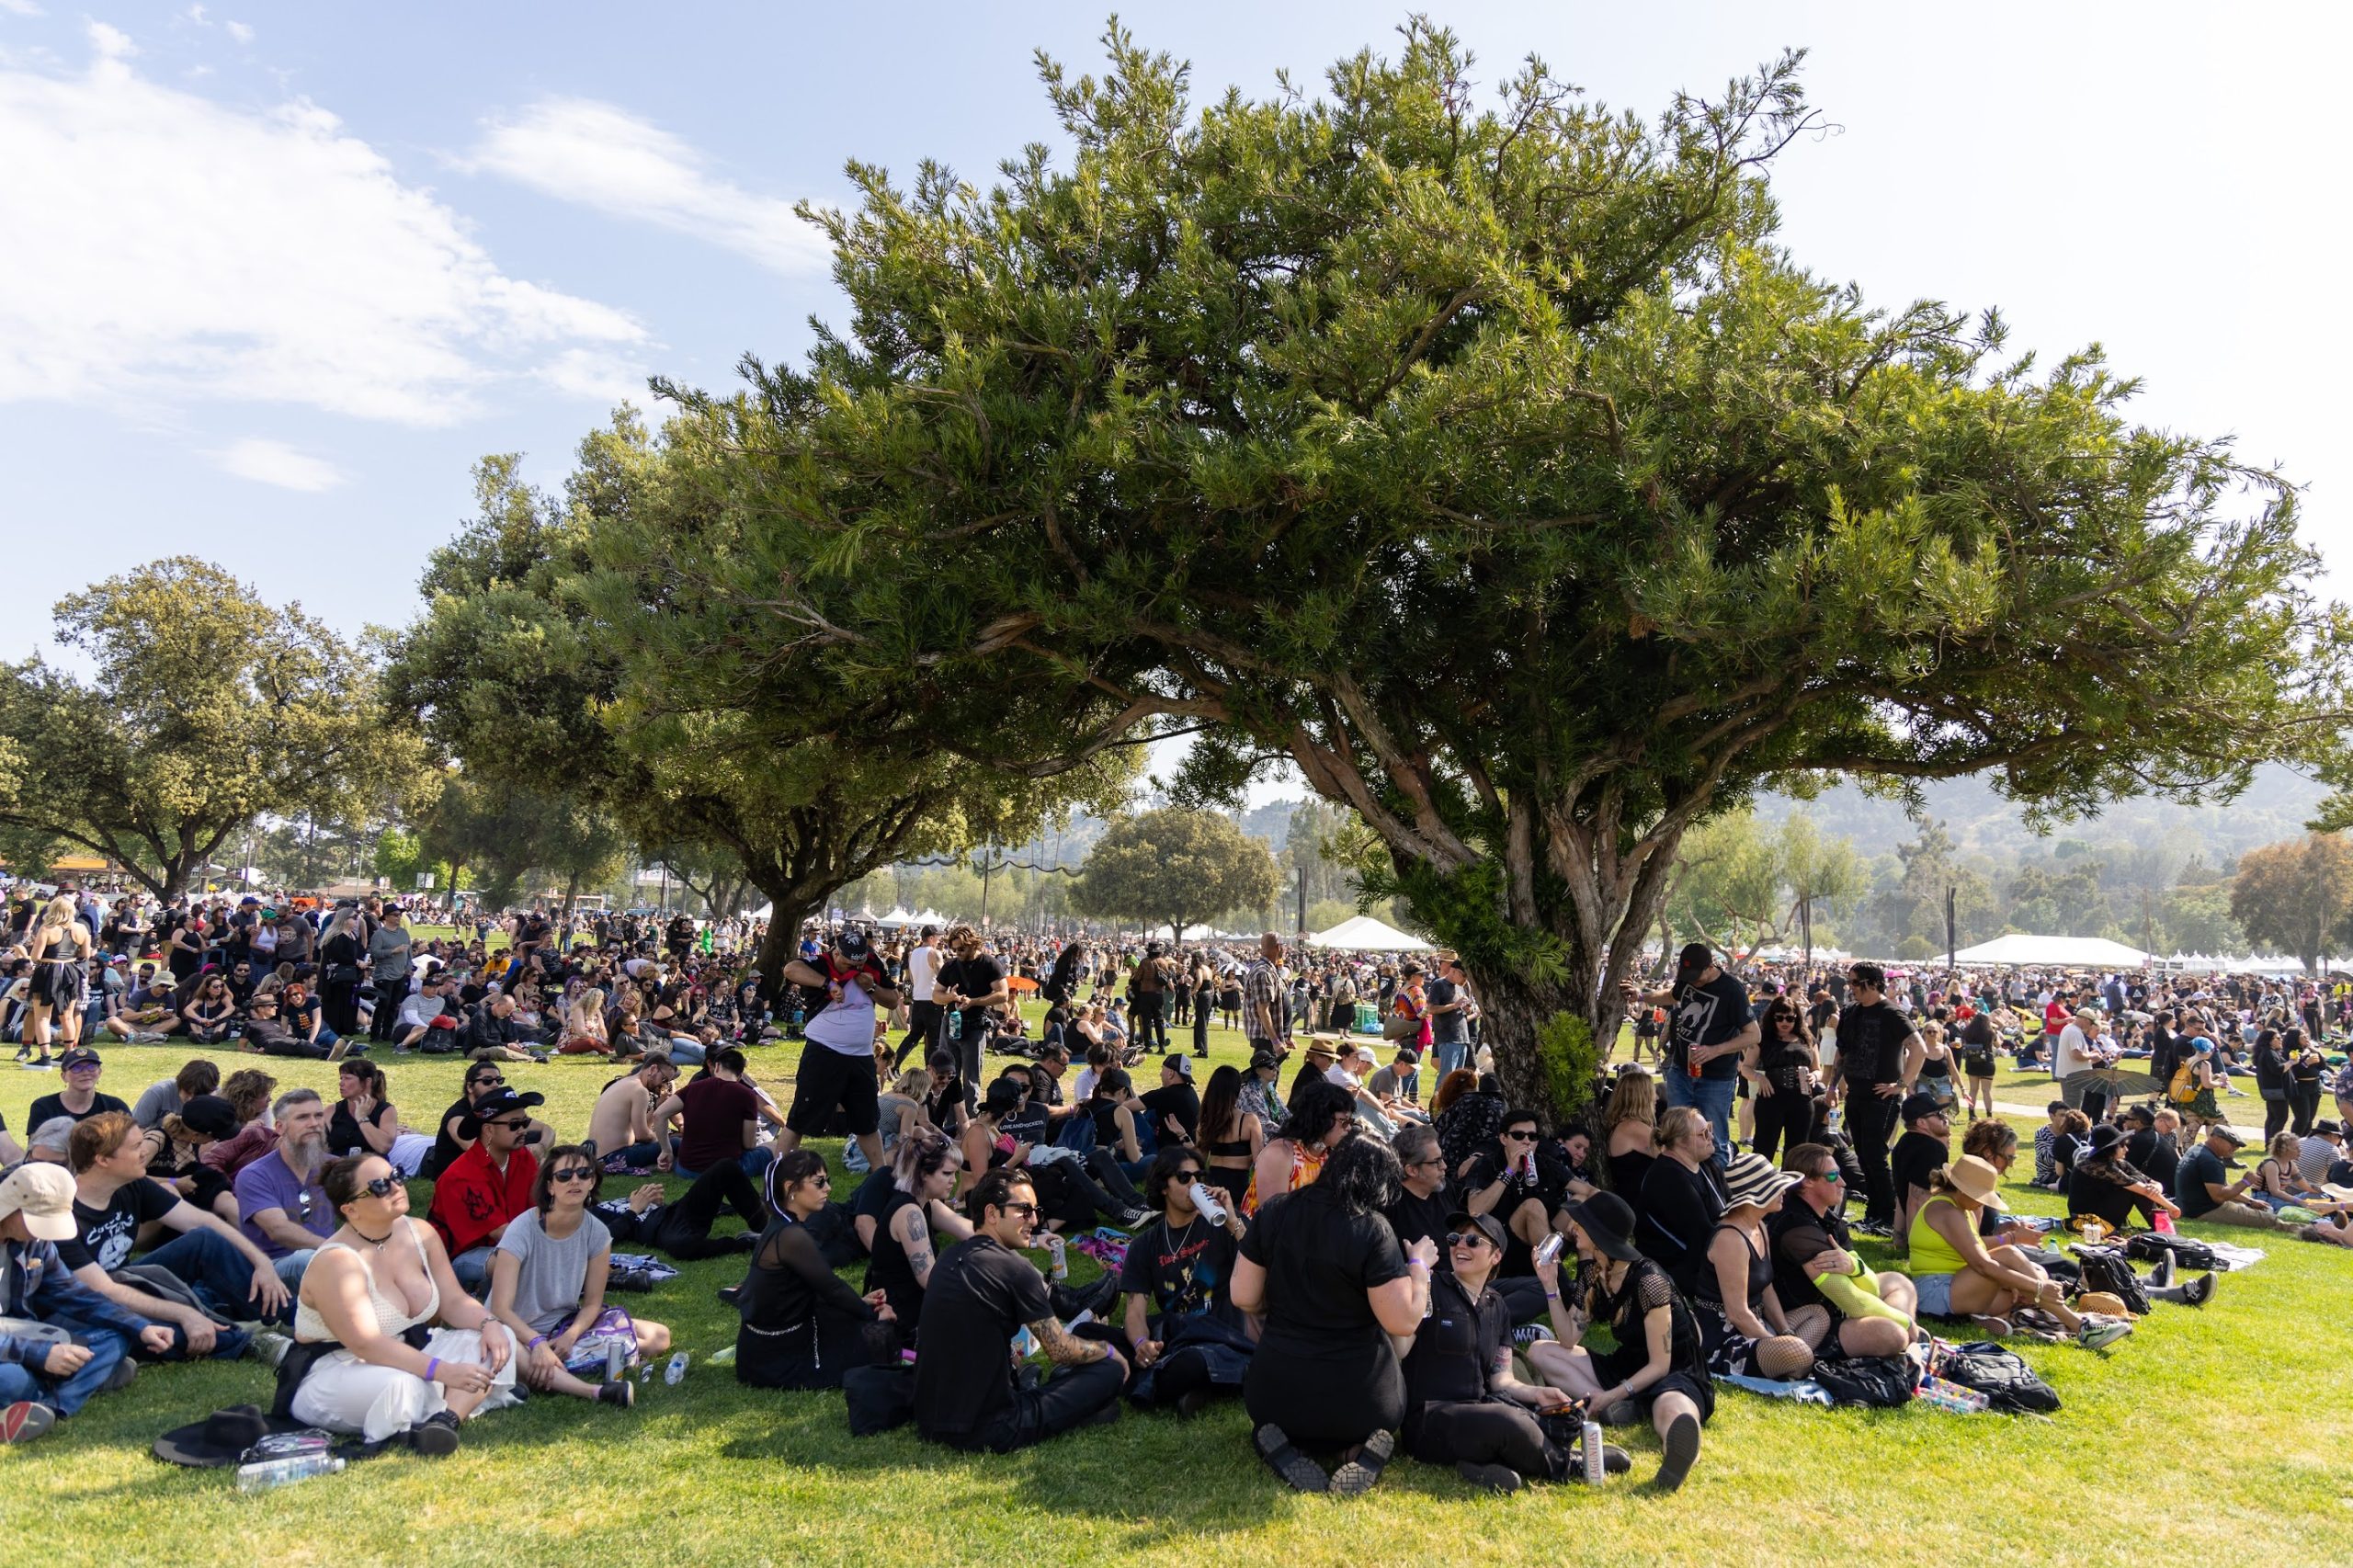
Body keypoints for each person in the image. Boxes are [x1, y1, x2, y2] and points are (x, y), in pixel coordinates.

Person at [285, 1153, 522, 1451]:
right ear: (350, 1209)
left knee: (498, 1339)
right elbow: (366, 1345)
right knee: (403, 1385)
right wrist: (444, 1371)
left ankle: (446, 1419)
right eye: (380, 1186)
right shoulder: (337, 1261)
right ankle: (464, 1394)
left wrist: (489, 1323)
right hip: (337, 1369)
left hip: (407, 1351)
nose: (397, 1187)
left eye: (396, 1175)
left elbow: (453, 1301)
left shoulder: (419, 1232)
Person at [1232, 1132, 1425, 1495]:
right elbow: (1403, 1321)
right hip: (1360, 1399)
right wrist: (1420, 1268)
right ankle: (1355, 1451)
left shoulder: (1274, 1212)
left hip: (1275, 1392)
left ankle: (1288, 1444)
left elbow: (1243, 1296)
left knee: (1282, 1421)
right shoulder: (1373, 1230)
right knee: (1376, 1398)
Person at [1398, 1209, 1625, 1494]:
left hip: (1478, 1410)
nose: (1460, 1245)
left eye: (1473, 1241)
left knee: (1552, 1414)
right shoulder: (1431, 1289)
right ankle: (1571, 1465)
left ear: (1496, 1257)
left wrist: (1537, 1394)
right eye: (1455, 1238)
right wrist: (1415, 1271)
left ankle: (1479, 1463)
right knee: (1507, 1420)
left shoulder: (1496, 1306)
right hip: (1430, 1420)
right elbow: (1401, 1346)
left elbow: (1501, 1378)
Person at [913, 1168, 1128, 1452]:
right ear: (992, 1213)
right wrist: (1108, 1350)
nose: (1035, 1220)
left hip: (929, 1420)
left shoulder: (948, 1258)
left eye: (1036, 1211)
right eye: (1024, 1211)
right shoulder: (1016, 1269)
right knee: (1109, 1370)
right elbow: (1060, 1349)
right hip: (991, 1427)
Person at [1524, 1191, 1710, 1493]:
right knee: (1540, 1352)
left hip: (1674, 1370)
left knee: (1671, 1410)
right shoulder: (1594, 1273)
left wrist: (1611, 1395)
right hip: (1628, 1363)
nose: (1573, 1226)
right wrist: (1550, 1284)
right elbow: (1568, 1339)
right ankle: (1626, 1405)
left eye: (1582, 1223)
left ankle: (1678, 1454)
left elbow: (1660, 1365)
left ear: (1599, 1236)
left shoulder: (1649, 1281)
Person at [59, 1112, 287, 1357]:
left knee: (204, 1239)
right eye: (136, 1147)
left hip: (126, 1279)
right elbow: (104, 1290)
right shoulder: (62, 1216)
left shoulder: (132, 1185)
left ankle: (289, 1319)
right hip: (84, 1304)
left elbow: (202, 1221)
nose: (145, 1152)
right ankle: (245, 1341)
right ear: (103, 1160)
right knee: (155, 1330)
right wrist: (183, 1314)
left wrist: (262, 1261)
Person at [0, 1164, 173, 1443]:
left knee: (115, 1337)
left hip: (22, 1331)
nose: (42, 1233)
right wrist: (40, 1354)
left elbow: (73, 1293)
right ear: (13, 1206)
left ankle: (48, 1406)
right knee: (11, 1380)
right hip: (12, 1345)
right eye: (39, 1221)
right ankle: (78, 1379)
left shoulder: (37, 1242)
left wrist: (139, 1326)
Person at [486, 1142, 665, 1409]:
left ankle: (557, 1365)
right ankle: (595, 1391)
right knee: (515, 1353)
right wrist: (537, 1342)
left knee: (659, 1336)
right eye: (564, 1176)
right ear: (550, 1186)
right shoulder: (522, 1229)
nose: (575, 1181)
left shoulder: (598, 1233)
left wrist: (570, 1336)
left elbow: (592, 1303)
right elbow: (500, 1309)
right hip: (513, 1327)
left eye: (584, 1174)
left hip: (563, 1324)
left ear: (592, 1182)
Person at [1911, 1154, 2131, 1347]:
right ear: (1962, 1189)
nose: (1981, 1203)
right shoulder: (1948, 1211)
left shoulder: (1958, 1207)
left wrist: (2027, 1282)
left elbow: (1975, 1248)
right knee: (2012, 1259)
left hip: (1955, 1288)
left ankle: (1995, 1317)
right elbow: (1982, 1264)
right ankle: (2078, 1325)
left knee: (2032, 1274)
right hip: (1937, 1293)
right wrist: (2037, 1287)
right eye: (1980, 1196)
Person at [735, 1149, 894, 1389]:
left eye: (826, 1181)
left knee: (858, 1325)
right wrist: (870, 1313)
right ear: (790, 1188)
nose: (828, 1188)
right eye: (819, 1182)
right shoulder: (791, 1236)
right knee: (880, 1335)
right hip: (776, 1356)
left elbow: (808, 1289)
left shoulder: (784, 1226)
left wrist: (861, 1303)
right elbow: (832, 1288)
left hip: (763, 1346)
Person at [1121, 1146, 1253, 1416]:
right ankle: (1196, 1385)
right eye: (1184, 1178)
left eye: (1199, 1177)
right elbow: (1135, 1312)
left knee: (1193, 1363)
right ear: (1163, 1187)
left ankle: (1142, 1380)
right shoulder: (1145, 1245)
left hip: (1219, 1337)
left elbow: (1262, 1268)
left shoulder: (1226, 1225)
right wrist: (1141, 1344)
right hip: (1175, 1337)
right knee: (1091, 1334)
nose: (1194, 1184)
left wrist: (1232, 1222)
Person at [1768, 1143, 1919, 1361]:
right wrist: (1906, 1322)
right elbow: (1852, 1301)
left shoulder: (1828, 1218)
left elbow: (1871, 1287)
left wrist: (1854, 1267)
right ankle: (1906, 1336)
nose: (1843, 1182)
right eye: (1832, 1176)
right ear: (1808, 1181)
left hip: (1833, 1306)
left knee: (1899, 1281)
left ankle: (1904, 1335)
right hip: (1808, 1321)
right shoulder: (1797, 1229)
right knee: (1893, 1334)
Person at [779, 927, 901, 1171]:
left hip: (861, 1055)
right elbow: (790, 969)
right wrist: (827, 984)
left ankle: (879, 1175)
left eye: (858, 964)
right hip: (825, 1051)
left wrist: (872, 988)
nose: (854, 969)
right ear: (836, 953)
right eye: (848, 964)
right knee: (799, 1118)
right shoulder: (821, 963)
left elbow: (893, 1000)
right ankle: (777, 1174)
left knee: (867, 1122)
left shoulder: (872, 962)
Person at [1626, 942, 1756, 1167]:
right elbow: (1671, 996)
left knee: (1713, 1140)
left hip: (1715, 1078)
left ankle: (1715, 1185)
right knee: (1675, 1135)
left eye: (1697, 977)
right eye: (1688, 976)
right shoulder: (1687, 978)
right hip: (1681, 1070)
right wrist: (1641, 997)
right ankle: (1680, 1180)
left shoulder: (1732, 990)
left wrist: (1715, 1050)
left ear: (1710, 967)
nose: (1693, 981)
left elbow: (1753, 1035)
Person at [1692, 1153, 1814, 1380]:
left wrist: (1785, 1332)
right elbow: (1737, 1314)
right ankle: (1792, 1359)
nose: (1784, 1191)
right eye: (1776, 1187)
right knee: (1800, 1354)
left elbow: (1767, 1289)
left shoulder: (1760, 1227)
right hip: (1725, 1338)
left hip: (1757, 1323)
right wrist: (1778, 1344)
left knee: (1818, 1315)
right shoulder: (1731, 1239)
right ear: (1757, 1194)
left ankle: (1790, 1359)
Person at [1824, 963, 1925, 1235]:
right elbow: (1842, 1053)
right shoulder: (1850, 1012)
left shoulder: (1891, 1013)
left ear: (1873, 983)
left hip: (1882, 1097)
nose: (1851, 988)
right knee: (1864, 1156)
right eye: (1851, 982)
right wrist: (1832, 1085)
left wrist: (1901, 1084)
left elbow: (1918, 1048)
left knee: (1875, 1155)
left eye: (1856, 983)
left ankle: (1888, 1215)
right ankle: (1874, 1212)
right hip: (1855, 1094)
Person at [426, 1086, 545, 1291]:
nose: (523, 1130)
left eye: (525, 1122)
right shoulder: (461, 1176)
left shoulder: (522, 1157)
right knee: (516, 1259)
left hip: (508, 1246)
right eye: (514, 1125)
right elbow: (502, 1233)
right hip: (455, 1261)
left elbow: (540, 1211)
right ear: (489, 1130)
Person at [233, 1089, 336, 1290]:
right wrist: (334, 1249)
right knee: (307, 1260)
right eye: (302, 1117)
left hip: (327, 1257)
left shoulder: (334, 1167)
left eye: (318, 1115)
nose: (314, 1123)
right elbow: (278, 1230)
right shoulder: (255, 1175)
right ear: (280, 1127)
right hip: (271, 1268)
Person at [872, 1130, 967, 1336]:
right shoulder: (910, 1212)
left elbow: (969, 1230)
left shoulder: (925, 1203)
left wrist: (1027, 1244)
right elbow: (931, 1280)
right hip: (901, 1321)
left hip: (916, 1308)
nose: (954, 1181)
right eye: (947, 1173)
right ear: (923, 1174)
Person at [1637, 1106, 1725, 1295]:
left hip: (1709, 1256)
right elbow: (1702, 1234)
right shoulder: (1667, 1178)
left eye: (1710, 1128)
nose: (1711, 1136)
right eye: (1703, 1133)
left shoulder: (1707, 1165)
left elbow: (1732, 1209)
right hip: (1680, 1269)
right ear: (1680, 1142)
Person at [658, 1047, 779, 1179]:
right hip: (727, 1170)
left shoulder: (692, 1088)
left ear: (716, 1067)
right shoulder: (747, 1095)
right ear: (740, 1076)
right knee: (776, 1145)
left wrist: (666, 1150)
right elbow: (749, 1144)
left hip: (686, 1169)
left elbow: (659, 1114)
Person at [1245, 1080, 1354, 1216]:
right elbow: (1272, 1216)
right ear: (1320, 1118)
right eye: (1344, 1121)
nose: (1349, 1128)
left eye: (1351, 1121)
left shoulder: (1329, 1153)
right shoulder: (1280, 1155)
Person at [933, 925, 1007, 1109]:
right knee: (946, 1075)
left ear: (973, 944)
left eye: (961, 949)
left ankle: (969, 1121)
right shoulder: (950, 966)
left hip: (975, 1026)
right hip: (951, 1023)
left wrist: (973, 1002)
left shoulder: (989, 964)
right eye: (954, 949)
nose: (957, 953)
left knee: (971, 1080)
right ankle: (948, 1120)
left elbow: (1003, 994)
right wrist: (951, 997)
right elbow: (936, 996)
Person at [19, 893, 91, 1070]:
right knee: (68, 1016)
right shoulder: (81, 929)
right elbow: (85, 954)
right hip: (71, 971)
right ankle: (69, 1054)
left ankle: (45, 1058)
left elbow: (35, 957)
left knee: (43, 1017)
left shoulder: (47, 929)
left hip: (47, 970)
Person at [1745, 996, 1818, 1167]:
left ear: (1796, 1018)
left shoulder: (1807, 1038)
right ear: (1772, 1017)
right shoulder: (1763, 1038)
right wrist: (1759, 1077)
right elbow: (1746, 1068)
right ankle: (1762, 1181)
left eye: (1790, 1018)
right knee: (1764, 1148)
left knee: (1798, 1151)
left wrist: (1815, 1076)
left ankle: (1792, 1183)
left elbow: (1817, 1069)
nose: (1784, 1022)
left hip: (1802, 1100)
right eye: (1779, 1018)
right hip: (1771, 1099)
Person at [2068, 1124, 2184, 1233]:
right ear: (2111, 1148)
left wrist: (2157, 1187)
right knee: (2135, 1186)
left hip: (2102, 1211)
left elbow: (2150, 1181)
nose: (2126, 1149)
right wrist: (2171, 1207)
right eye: (2122, 1145)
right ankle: (2162, 1227)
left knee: (2139, 1181)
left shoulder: (2117, 1162)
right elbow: (2141, 1189)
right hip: (2086, 1220)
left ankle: (2161, 1227)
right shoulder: (2096, 1166)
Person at [586, 1056, 681, 1171]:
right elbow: (642, 1135)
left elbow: (642, 1128)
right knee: (676, 1143)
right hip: (613, 1158)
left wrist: (657, 1106)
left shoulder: (624, 1083)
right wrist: (662, 1140)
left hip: (595, 1155)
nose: (662, 1084)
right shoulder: (640, 1091)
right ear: (653, 1069)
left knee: (670, 1142)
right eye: (664, 1079)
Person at [1889, 1092, 1952, 1245]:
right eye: (1938, 1115)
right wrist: (1916, 1248)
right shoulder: (1930, 1148)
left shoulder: (1904, 1142)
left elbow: (1902, 1196)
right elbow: (1916, 1200)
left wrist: (1898, 1238)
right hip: (1932, 1231)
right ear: (1921, 1123)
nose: (1944, 1118)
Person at [1195, 1063, 1263, 1208]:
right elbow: (1260, 1164)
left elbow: (1199, 1161)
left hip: (1212, 1190)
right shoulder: (1249, 1121)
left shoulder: (1206, 1122)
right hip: (1238, 1191)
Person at [28, 1047, 129, 1131]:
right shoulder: (44, 1107)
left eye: (91, 1067)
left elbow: (132, 1142)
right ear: (63, 1076)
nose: (85, 1072)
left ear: (99, 1072)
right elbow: (36, 1147)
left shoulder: (114, 1107)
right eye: (76, 1068)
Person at [367, 906, 415, 1045]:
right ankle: (375, 1034)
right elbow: (375, 953)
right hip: (384, 974)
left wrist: (409, 966)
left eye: (399, 915)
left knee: (393, 1005)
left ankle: (387, 1034)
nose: (398, 917)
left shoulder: (403, 933)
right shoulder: (379, 934)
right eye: (395, 915)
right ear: (386, 917)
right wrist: (393, 951)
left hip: (401, 974)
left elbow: (409, 952)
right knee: (384, 1004)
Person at [1242, 932, 1287, 1061]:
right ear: (1278, 947)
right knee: (1265, 1072)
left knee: (1269, 1072)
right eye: (1283, 945)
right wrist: (1276, 1042)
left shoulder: (1269, 969)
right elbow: (1263, 1010)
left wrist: (1285, 1035)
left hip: (1269, 1039)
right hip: (1265, 1039)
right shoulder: (1263, 972)